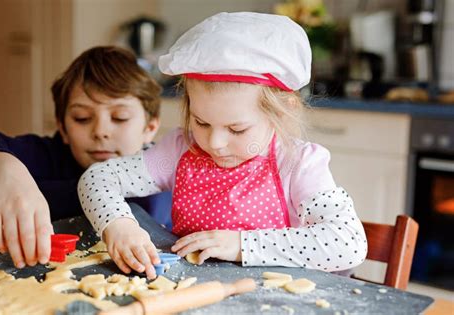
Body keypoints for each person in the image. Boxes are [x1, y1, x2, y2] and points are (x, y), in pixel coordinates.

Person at [78, 12, 367, 280]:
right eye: (201, 122)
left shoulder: (297, 163)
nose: (214, 143)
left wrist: (241, 245)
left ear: (281, 112)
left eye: (236, 129)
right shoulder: (179, 151)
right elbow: (98, 178)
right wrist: (118, 225)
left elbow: (348, 244)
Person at [0, 46, 172, 269]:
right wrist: (3, 167)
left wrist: (46, 192)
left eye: (120, 118)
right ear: (63, 128)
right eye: (82, 118)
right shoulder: (48, 154)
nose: (101, 131)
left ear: (150, 127)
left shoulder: (159, 172)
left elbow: (135, 206)